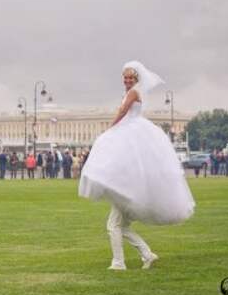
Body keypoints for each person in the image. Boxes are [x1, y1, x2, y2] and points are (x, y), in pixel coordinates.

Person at [79, 61, 195, 270]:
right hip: (129, 146)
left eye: (130, 77)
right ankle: (146, 254)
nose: (127, 80)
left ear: (137, 79)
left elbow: (123, 111)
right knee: (120, 226)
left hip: (128, 132)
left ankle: (119, 262)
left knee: (114, 225)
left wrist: (110, 129)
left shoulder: (133, 93)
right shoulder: (132, 94)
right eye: (125, 77)